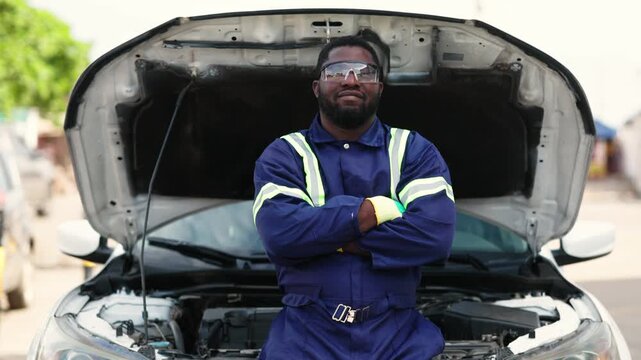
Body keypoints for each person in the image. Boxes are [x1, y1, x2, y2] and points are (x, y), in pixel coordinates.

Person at [253, 34, 456, 359]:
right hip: (303, 343)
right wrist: (369, 212)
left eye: (365, 72)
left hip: (402, 342)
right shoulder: (285, 155)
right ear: (317, 86)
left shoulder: (414, 152)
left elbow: (433, 237)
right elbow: (281, 236)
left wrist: (330, 235)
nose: (351, 80)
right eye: (337, 71)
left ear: (379, 87)